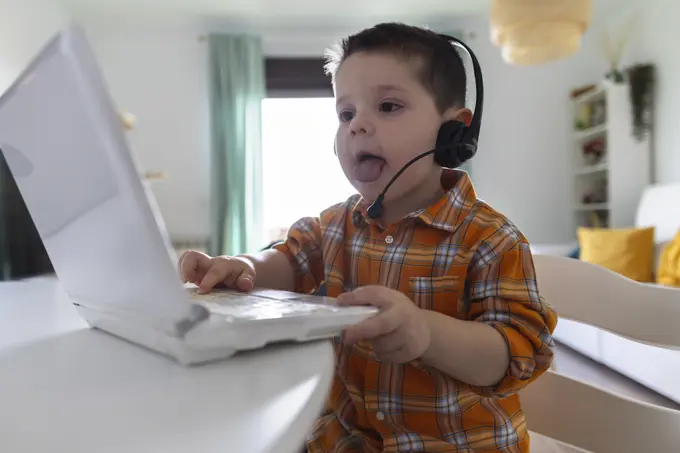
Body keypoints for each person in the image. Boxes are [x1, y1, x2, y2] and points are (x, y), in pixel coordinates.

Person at [180, 22, 558, 453]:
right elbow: (289, 260)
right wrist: (240, 268)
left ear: (455, 133)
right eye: (346, 114)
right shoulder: (335, 225)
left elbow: (516, 354)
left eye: (389, 106)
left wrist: (427, 334)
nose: (358, 126)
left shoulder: (491, 240)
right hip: (340, 441)